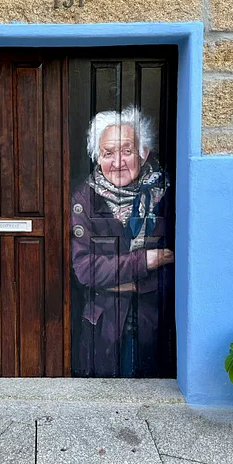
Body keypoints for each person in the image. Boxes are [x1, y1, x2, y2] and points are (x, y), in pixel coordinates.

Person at [71, 106, 174, 377]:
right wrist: (147, 261)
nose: (117, 162)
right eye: (108, 153)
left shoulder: (166, 196)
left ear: (144, 153)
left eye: (127, 151)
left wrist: (116, 274)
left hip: (154, 322)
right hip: (104, 325)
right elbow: (84, 269)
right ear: (97, 157)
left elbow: (179, 261)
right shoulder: (85, 200)